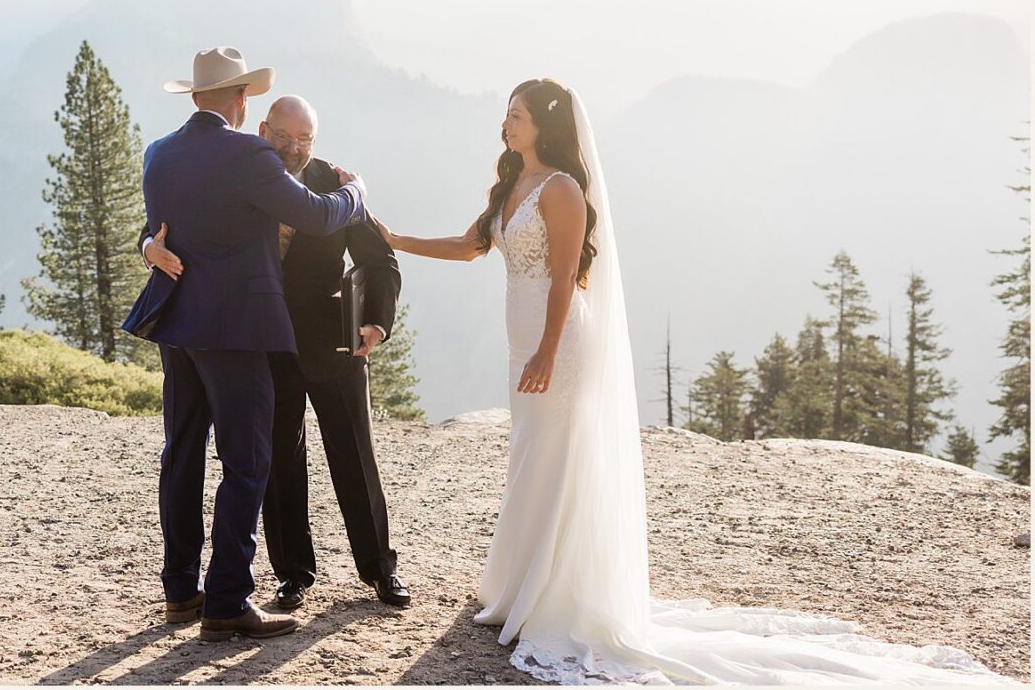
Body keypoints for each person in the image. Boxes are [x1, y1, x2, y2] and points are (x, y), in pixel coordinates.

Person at [372, 78, 1013, 684]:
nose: (505, 122)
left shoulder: (562, 190)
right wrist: (393, 237)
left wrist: (545, 350)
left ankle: (549, 593)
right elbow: (470, 245)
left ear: (545, 125)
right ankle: (520, 584)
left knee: (553, 460)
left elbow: (565, 277)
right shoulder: (512, 180)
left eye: (516, 113)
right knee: (529, 457)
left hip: (559, 344)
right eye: (508, 112)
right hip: (523, 344)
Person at [121, 46, 367, 643]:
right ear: (241, 100)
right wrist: (356, 193)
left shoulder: (159, 152)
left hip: (176, 324)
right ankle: (228, 599)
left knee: (181, 451)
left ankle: (181, 589)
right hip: (234, 330)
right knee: (248, 460)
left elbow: (162, 233)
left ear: (196, 97)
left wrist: (145, 250)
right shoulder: (250, 154)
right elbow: (314, 215)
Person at [250, 95, 408, 612]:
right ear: (262, 129)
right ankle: (292, 574)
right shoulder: (242, 180)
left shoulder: (338, 187)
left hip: (334, 342)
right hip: (268, 344)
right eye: (283, 137)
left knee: (354, 454)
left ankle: (380, 569)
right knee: (280, 460)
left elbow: (380, 259)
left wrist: (377, 324)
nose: (294, 149)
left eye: (305, 139)